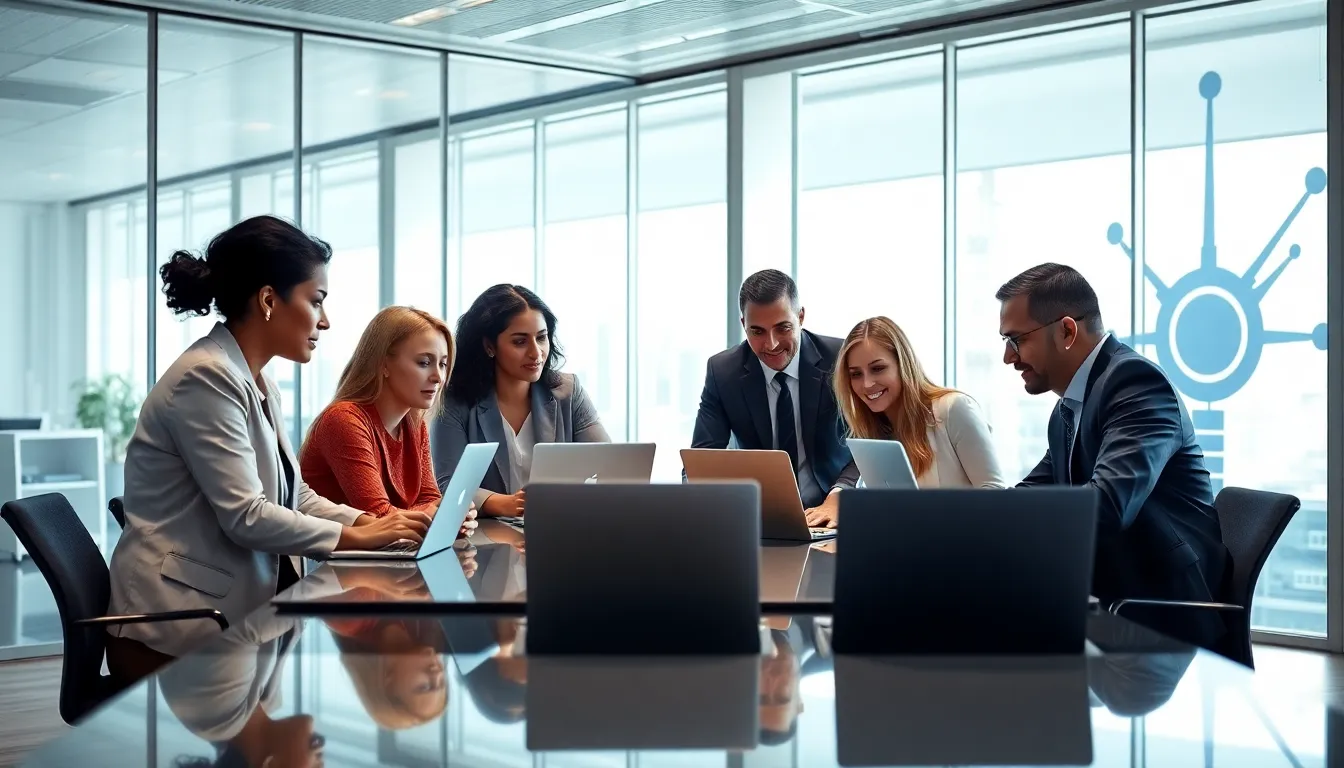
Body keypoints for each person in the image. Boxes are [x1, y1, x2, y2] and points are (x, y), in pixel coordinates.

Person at [106, 216, 429, 682]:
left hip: (231, 616)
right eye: (316, 301)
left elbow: (291, 495)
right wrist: (356, 538)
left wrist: (370, 523)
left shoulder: (254, 378)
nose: (325, 320)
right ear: (268, 300)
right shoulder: (207, 377)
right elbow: (247, 515)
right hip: (176, 627)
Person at [997, 262, 1230, 650]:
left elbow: (1107, 504)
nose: (1008, 357)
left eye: (1017, 340)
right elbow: (1031, 495)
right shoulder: (1068, 411)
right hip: (1109, 600)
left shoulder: (1135, 383)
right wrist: (961, 518)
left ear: (1067, 331)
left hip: (1157, 612)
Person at [689, 269, 858, 518]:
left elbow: (875, 437)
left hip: (832, 511)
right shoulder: (723, 372)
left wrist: (840, 494)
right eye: (757, 331)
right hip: (759, 516)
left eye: (783, 328)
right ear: (743, 325)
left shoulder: (839, 358)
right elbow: (701, 461)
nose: (771, 344)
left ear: (801, 317)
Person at [430, 284, 608, 518]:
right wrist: (506, 504)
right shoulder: (455, 400)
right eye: (520, 342)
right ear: (489, 346)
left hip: (559, 529)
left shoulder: (568, 391)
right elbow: (450, 484)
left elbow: (608, 465)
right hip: (486, 538)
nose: (536, 353)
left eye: (542, 338)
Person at [300, 306, 476, 538]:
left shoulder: (414, 423)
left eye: (442, 364)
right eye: (424, 363)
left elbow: (429, 498)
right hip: (329, 565)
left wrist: (454, 515)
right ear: (383, 364)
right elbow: (378, 516)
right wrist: (439, 515)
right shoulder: (344, 420)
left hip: (381, 558)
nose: (438, 377)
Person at [811, 316, 1004, 526]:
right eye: (856, 374)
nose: (866, 384)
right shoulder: (875, 433)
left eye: (878, 369)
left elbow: (995, 496)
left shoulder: (954, 408)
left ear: (903, 364)